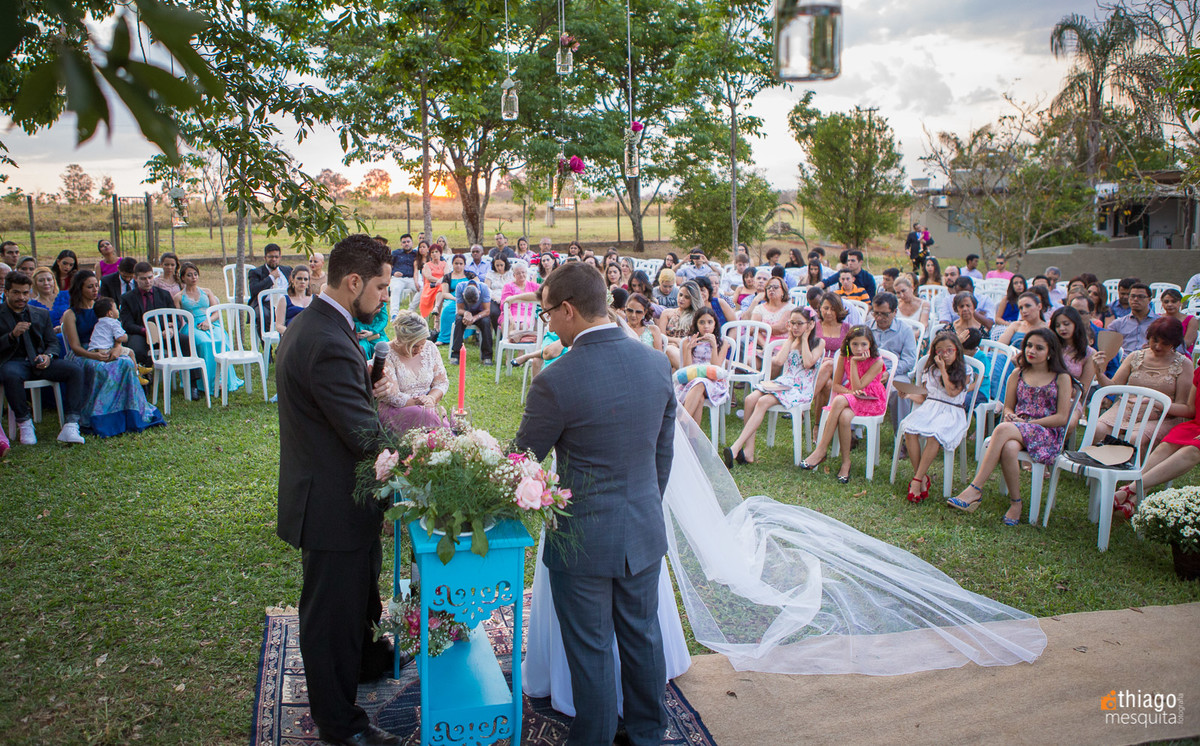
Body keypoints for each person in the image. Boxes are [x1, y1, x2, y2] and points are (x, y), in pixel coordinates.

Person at [515, 261, 676, 746]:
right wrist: (641, 505)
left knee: (591, 649)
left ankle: (595, 738)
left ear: (568, 310)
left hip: (581, 537)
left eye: (547, 314)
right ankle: (649, 733)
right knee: (643, 637)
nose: (548, 324)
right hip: (642, 526)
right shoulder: (654, 362)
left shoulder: (555, 379)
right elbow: (661, 458)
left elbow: (521, 459)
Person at [275, 234, 401, 746]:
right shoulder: (327, 339)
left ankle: (366, 659)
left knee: (358, 594)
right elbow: (364, 436)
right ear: (353, 282)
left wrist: (364, 387)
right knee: (331, 615)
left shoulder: (322, 323)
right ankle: (339, 726)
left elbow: (339, 404)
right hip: (330, 501)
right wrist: (425, 449)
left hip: (338, 492)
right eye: (380, 286)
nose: (385, 297)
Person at [949, 329, 1073, 525]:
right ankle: (1016, 503)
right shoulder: (1018, 373)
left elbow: (1062, 417)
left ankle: (976, 488)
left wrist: (1030, 423)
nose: (1032, 350)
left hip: (1046, 432)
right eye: (1029, 346)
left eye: (1039, 348)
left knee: (1002, 429)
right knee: (1009, 447)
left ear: (1050, 352)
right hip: (1018, 428)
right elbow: (1008, 405)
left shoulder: (1061, 377)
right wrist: (1009, 414)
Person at [60, 270, 165, 437]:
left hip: (110, 348)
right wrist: (93, 356)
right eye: (90, 287)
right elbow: (75, 346)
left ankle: (129, 411)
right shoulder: (71, 314)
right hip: (85, 353)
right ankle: (99, 415)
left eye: (96, 286)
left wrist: (117, 347)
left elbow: (116, 331)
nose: (95, 290)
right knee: (100, 368)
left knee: (125, 362)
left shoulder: (103, 308)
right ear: (80, 289)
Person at [725, 307, 823, 465]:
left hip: (801, 388)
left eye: (800, 324)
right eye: (793, 323)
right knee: (750, 399)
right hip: (784, 382)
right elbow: (778, 361)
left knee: (763, 402)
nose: (796, 327)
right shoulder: (791, 341)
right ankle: (748, 451)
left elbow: (807, 363)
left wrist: (804, 339)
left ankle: (736, 447)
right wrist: (791, 339)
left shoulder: (818, 342)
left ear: (810, 324)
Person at [0, 271, 87, 445]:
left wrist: (48, 356)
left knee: (74, 369)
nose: (21, 297)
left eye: (25, 293)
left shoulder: (40, 313)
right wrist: (11, 335)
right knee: (10, 373)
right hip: (13, 362)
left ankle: (71, 424)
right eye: (16, 292)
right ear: (6, 292)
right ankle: (24, 423)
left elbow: (53, 342)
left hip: (40, 362)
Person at [1111, 363, 1200, 518]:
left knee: (1192, 450)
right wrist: (1158, 404)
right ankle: (1136, 496)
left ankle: (1130, 489)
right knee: (1166, 446)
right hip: (1196, 425)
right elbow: (1191, 410)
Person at [800, 326, 886, 483]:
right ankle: (846, 462)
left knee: (839, 400)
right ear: (848, 344)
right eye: (855, 344)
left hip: (872, 400)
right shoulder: (843, 356)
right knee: (845, 417)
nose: (859, 349)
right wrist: (850, 393)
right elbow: (836, 386)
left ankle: (821, 450)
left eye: (863, 344)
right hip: (854, 397)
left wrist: (854, 363)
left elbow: (859, 386)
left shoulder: (877, 362)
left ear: (870, 345)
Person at [1091, 317, 1193, 448]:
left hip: (1162, 416)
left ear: (1174, 343)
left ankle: (1134, 467)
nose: (1158, 346)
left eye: (1165, 343)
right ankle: (1098, 464)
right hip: (1127, 409)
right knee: (1099, 429)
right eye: (1154, 340)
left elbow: (1184, 407)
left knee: (1135, 438)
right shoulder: (1135, 356)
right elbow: (1113, 387)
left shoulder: (1184, 364)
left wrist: (1156, 403)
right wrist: (1099, 373)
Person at [898, 331, 973, 502]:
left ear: (956, 351)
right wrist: (908, 395)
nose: (945, 355)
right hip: (930, 408)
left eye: (949, 350)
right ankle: (921, 477)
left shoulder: (965, 369)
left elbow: (952, 392)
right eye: (940, 351)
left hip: (952, 411)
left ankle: (916, 481)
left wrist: (943, 370)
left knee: (935, 435)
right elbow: (924, 397)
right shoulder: (930, 370)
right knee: (909, 429)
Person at [174, 262, 243, 398]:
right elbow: (178, 318)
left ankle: (223, 380)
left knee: (220, 340)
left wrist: (208, 321)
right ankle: (206, 382)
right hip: (192, 326)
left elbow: (216, 312)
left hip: (211, 323)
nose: (193, 277)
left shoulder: (207, 291)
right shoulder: (179, 297)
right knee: (205, 343)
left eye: (195, 274)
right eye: (189, 275)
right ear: (183, 278)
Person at [377, 310, 449, 434]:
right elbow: (392, 395)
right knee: (430, 417)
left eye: (422, 344)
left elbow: (441, 383)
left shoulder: (430, 348)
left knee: (443, 418)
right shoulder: (387, 354)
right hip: (397, 410)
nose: (420, 350)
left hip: (428, 408)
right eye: (414, 346)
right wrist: (419, 403)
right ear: (400, 339)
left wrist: (431, 398)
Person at [117, 262, 176, 367]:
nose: (148, 282)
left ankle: (192, 380)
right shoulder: (127, 298)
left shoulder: (164, 294)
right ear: (135, 278)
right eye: (143, 279)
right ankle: (143, 378)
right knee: (137, 350)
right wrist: (147, 331)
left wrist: (170, 329)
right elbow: (127, 324)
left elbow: (175, 318)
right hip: (140, 334)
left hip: (163, 333)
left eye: (150, 277)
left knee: (186, 341)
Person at [676, 308, 730, 425]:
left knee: (700, 382)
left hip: (714, 382)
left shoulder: (723, 342)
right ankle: (692, 439)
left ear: (715, 324)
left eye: (710, 322)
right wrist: (689, 349)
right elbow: (686, 369)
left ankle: (682, 422)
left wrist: (714, 346)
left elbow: (717, 369)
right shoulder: (688, 341)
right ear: (696, 324)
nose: (706, 326)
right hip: (692, 381)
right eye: (702, 322)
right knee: (699, 397)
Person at [87, 297, 138, 370]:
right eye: (116, 309)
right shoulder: (113, 322)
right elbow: (119, 337)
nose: (118, 311)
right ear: (110, 313)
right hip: (106, 351)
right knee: (131, 353)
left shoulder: (98, 323)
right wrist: (126, 336)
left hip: (93, 351)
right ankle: (136, 373)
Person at [450, 281, 494, 365]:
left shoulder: (484, 288)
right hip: (465, 311)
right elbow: (459, 309)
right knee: (459, 321)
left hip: (480, 313)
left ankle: (487, 356)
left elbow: (487, 310)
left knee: (486, 322)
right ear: (463, 294)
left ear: (479, 292)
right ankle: (456, 354)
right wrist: (466, 313)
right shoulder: (460, 287)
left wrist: (475, 318)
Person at [1107, 282, 1158, 354]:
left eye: (1141, 296)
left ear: (1149, 300)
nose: (1136, 299)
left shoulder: (1159, 322)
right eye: (1132, 296)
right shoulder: (1118, 324)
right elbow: (1107, 346)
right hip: (1124, 361)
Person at [248, 243, 292, 326]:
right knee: (262, 314)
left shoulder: (287, 270)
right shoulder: (256, 272)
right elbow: (254, 290)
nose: (274, 259)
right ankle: (266, 338)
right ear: (265, 258)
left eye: (276, 257)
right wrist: (271, 278)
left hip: (286, 302)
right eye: (271, 257)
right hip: (266, 304)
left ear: (280, 257)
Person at [435, 253, 472, 345]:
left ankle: (463, 335)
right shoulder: (448, 276)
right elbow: (445, 293)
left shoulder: (470, 275)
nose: (458, 266)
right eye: (456, 263)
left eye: (461, 263)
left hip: (468, 299)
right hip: (452, 298)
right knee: (447, 309)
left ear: (464, 264)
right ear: (452, 264)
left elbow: (477, 287)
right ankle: (443, 338)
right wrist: (456, 298)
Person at [749, 276, 794, 343]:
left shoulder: (790, 308)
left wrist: (758, 327)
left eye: (775, 287)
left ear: (783, 291)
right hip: (761, 343)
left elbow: (781, 329)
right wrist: (765, 346)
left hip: (782, 343)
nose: (771, 289)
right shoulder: (759, 308)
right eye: (768, 287)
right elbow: (752, 331)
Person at [274, 265, 314, 335]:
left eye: (305, 279)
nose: (302, 282)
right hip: (291, 335)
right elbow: (279, 326)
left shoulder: (315, 299)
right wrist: (292, 334)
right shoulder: (284, 300)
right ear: (292, 280)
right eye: (299, 278)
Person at [28, 266, 70, 331]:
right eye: (41, 280)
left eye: (49, 279)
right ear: (35, 283)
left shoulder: (67, 295)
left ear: (54, 281)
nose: (46, 283)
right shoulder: (31, 305)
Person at [1159, 288, 1198, 355]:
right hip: (1159, 354)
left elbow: (1186, 344)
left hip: (1181, 357)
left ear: (1180, 303)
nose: (1169, 304)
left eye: (1173, 301)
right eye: (1166, 302)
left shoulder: (1191, 320)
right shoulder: (1157, 318)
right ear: (1162, 304)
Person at [417, 243, 446, 325]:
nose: (434, 254)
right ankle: (435, 315)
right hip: (430, 286)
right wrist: (440, 280)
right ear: (430, 254)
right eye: (432, 252)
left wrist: (441, 281)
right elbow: (429, 277)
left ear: (440, 253)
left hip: (441, 287)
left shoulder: (444, 264)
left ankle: (436, 310)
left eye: (436, 252)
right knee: (441, 287)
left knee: (442, 288)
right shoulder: (427, 265)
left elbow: (447, 275)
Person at [389, 233, 418, 306]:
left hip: (412, 279)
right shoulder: (396, 253)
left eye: (408, 242)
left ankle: (411, 309)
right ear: (401, 244)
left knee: (422, 289)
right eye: (404, 242)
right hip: (398, 279)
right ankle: (394, 315)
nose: (406, 244)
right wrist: (393, 273)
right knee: (395, 289)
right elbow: (388, 266)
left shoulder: (416, 254)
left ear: (412, 243)